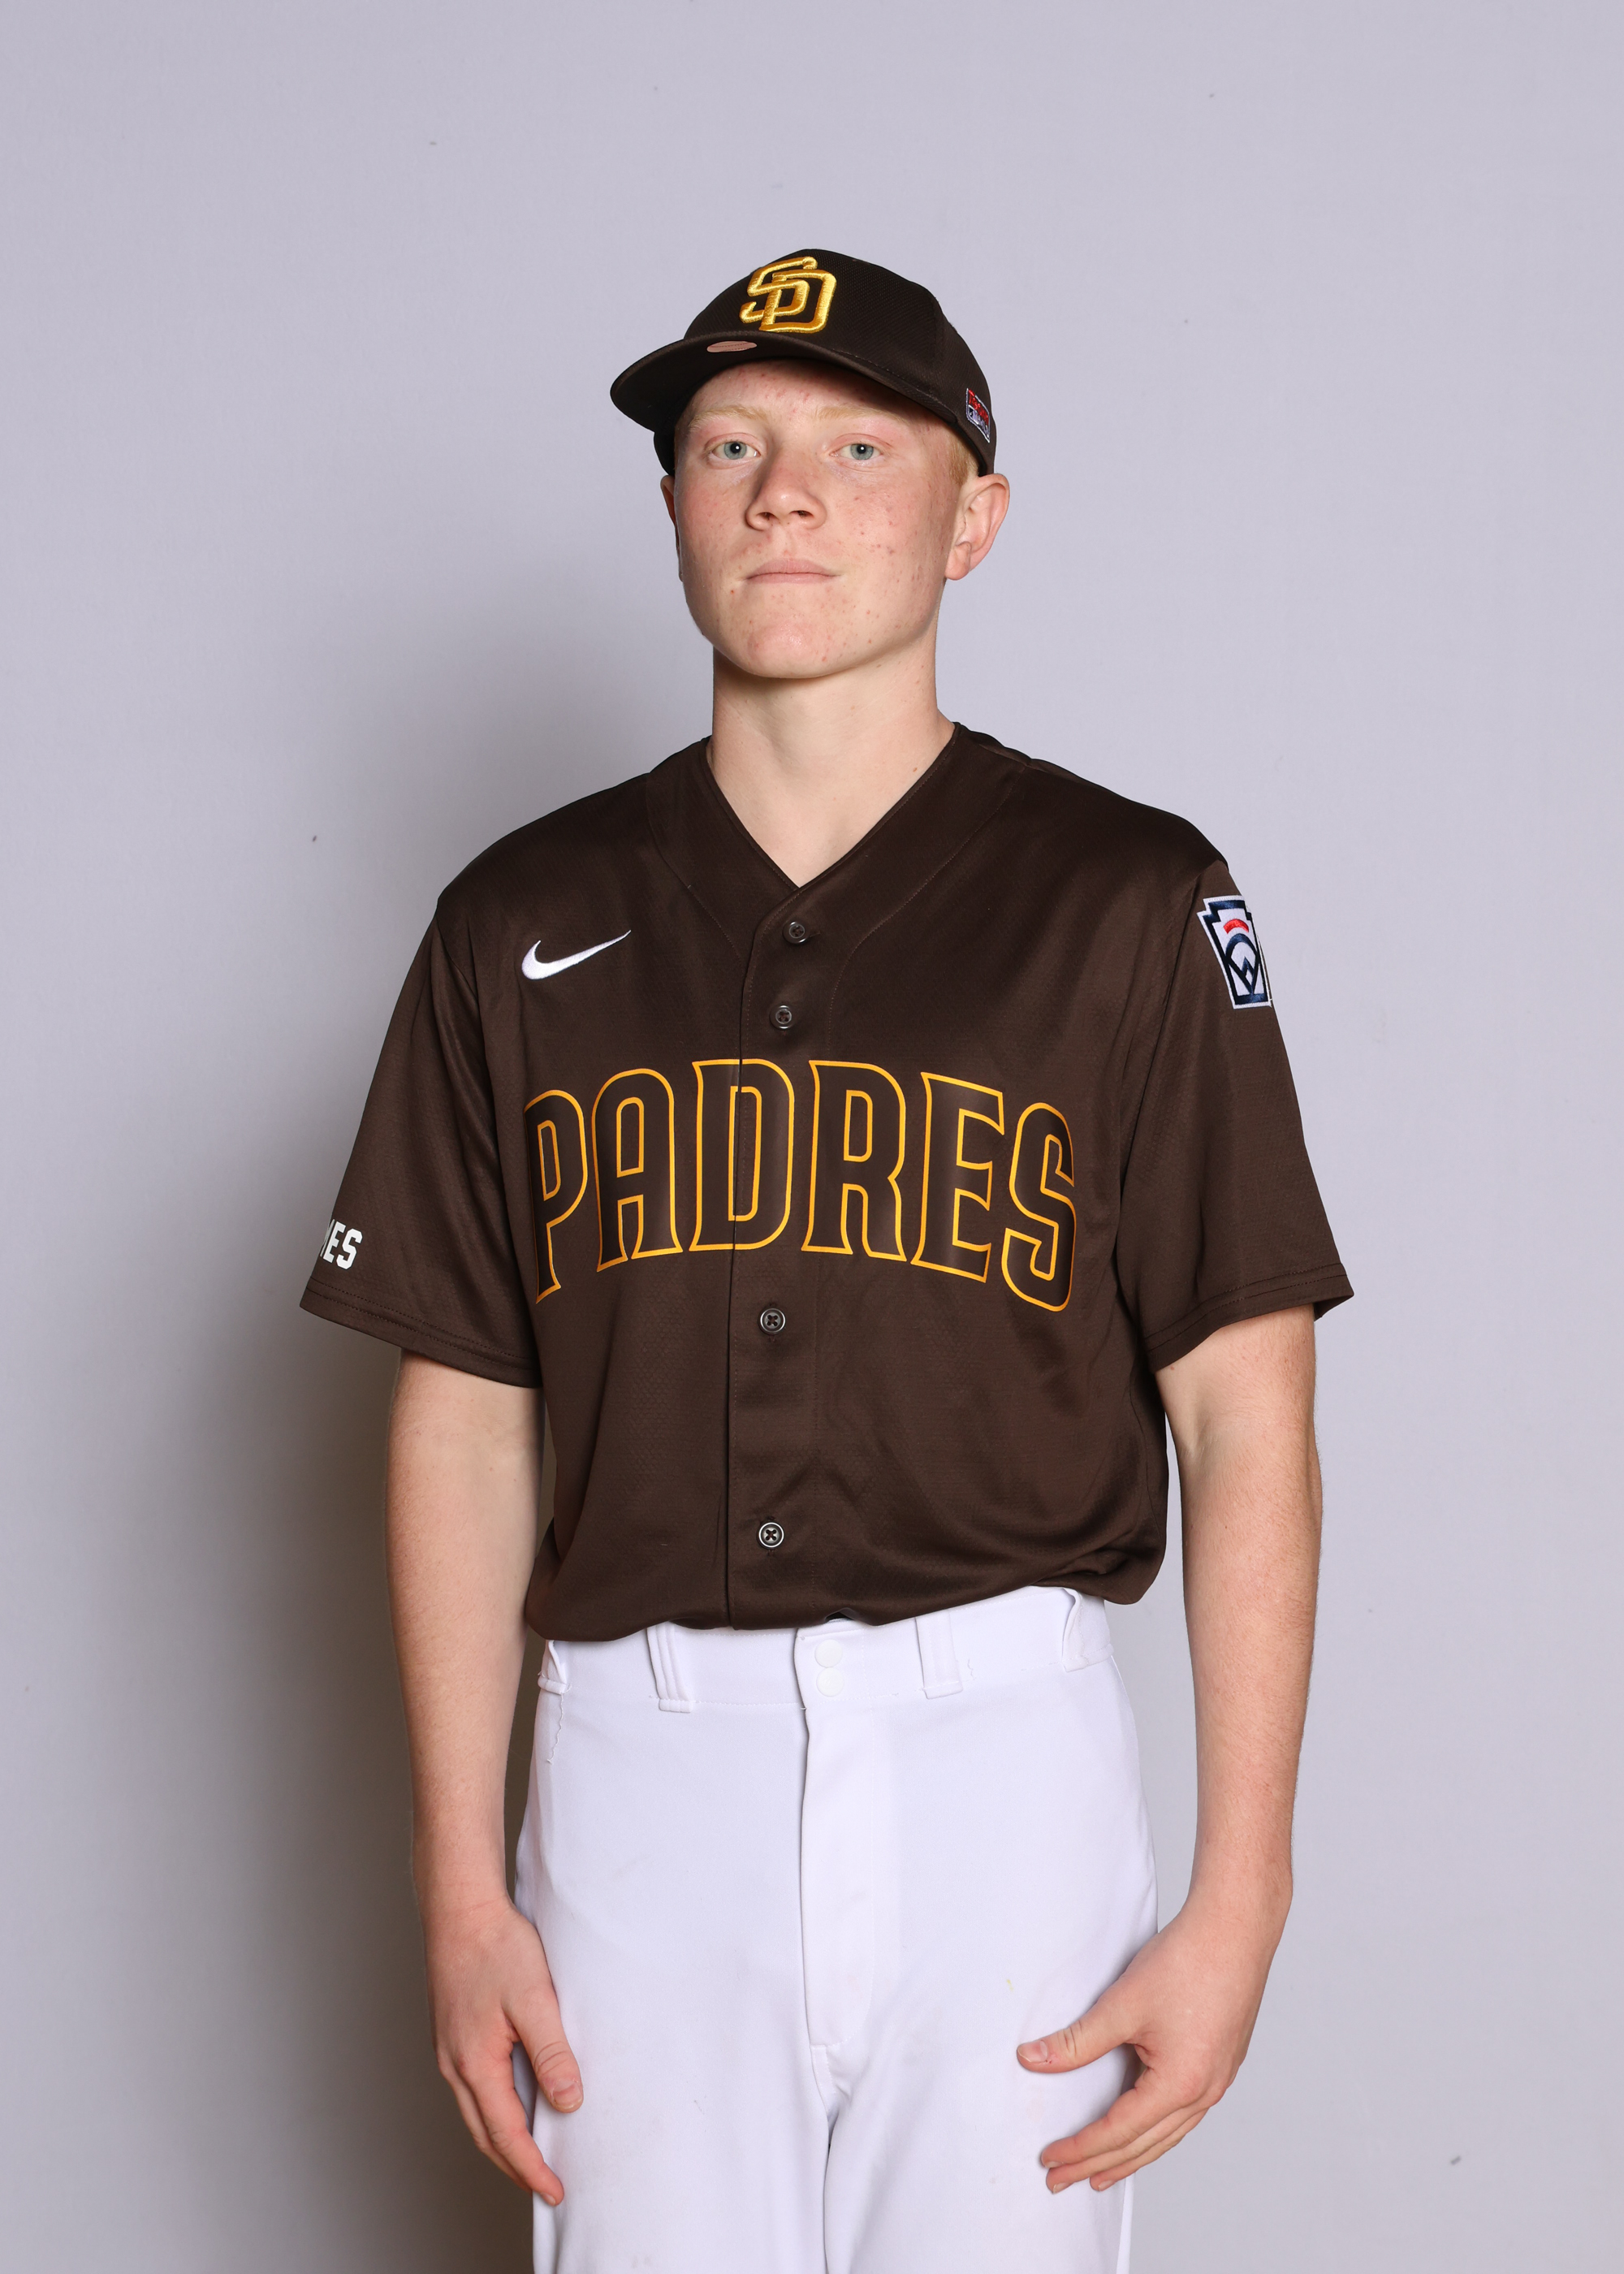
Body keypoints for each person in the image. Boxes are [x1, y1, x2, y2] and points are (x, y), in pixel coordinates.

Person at [301, 248, 1351, 2274]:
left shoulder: (1131, 898)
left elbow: (1246, 1413)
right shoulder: (516, 915)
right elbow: (462, 1421)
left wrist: (1245, 1889)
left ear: (974, 515)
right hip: (634, 1764)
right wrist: (457, 1875)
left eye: (860, 447)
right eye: (729, 445)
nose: (784, 491)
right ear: (674, 507)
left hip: (1004, 1755)